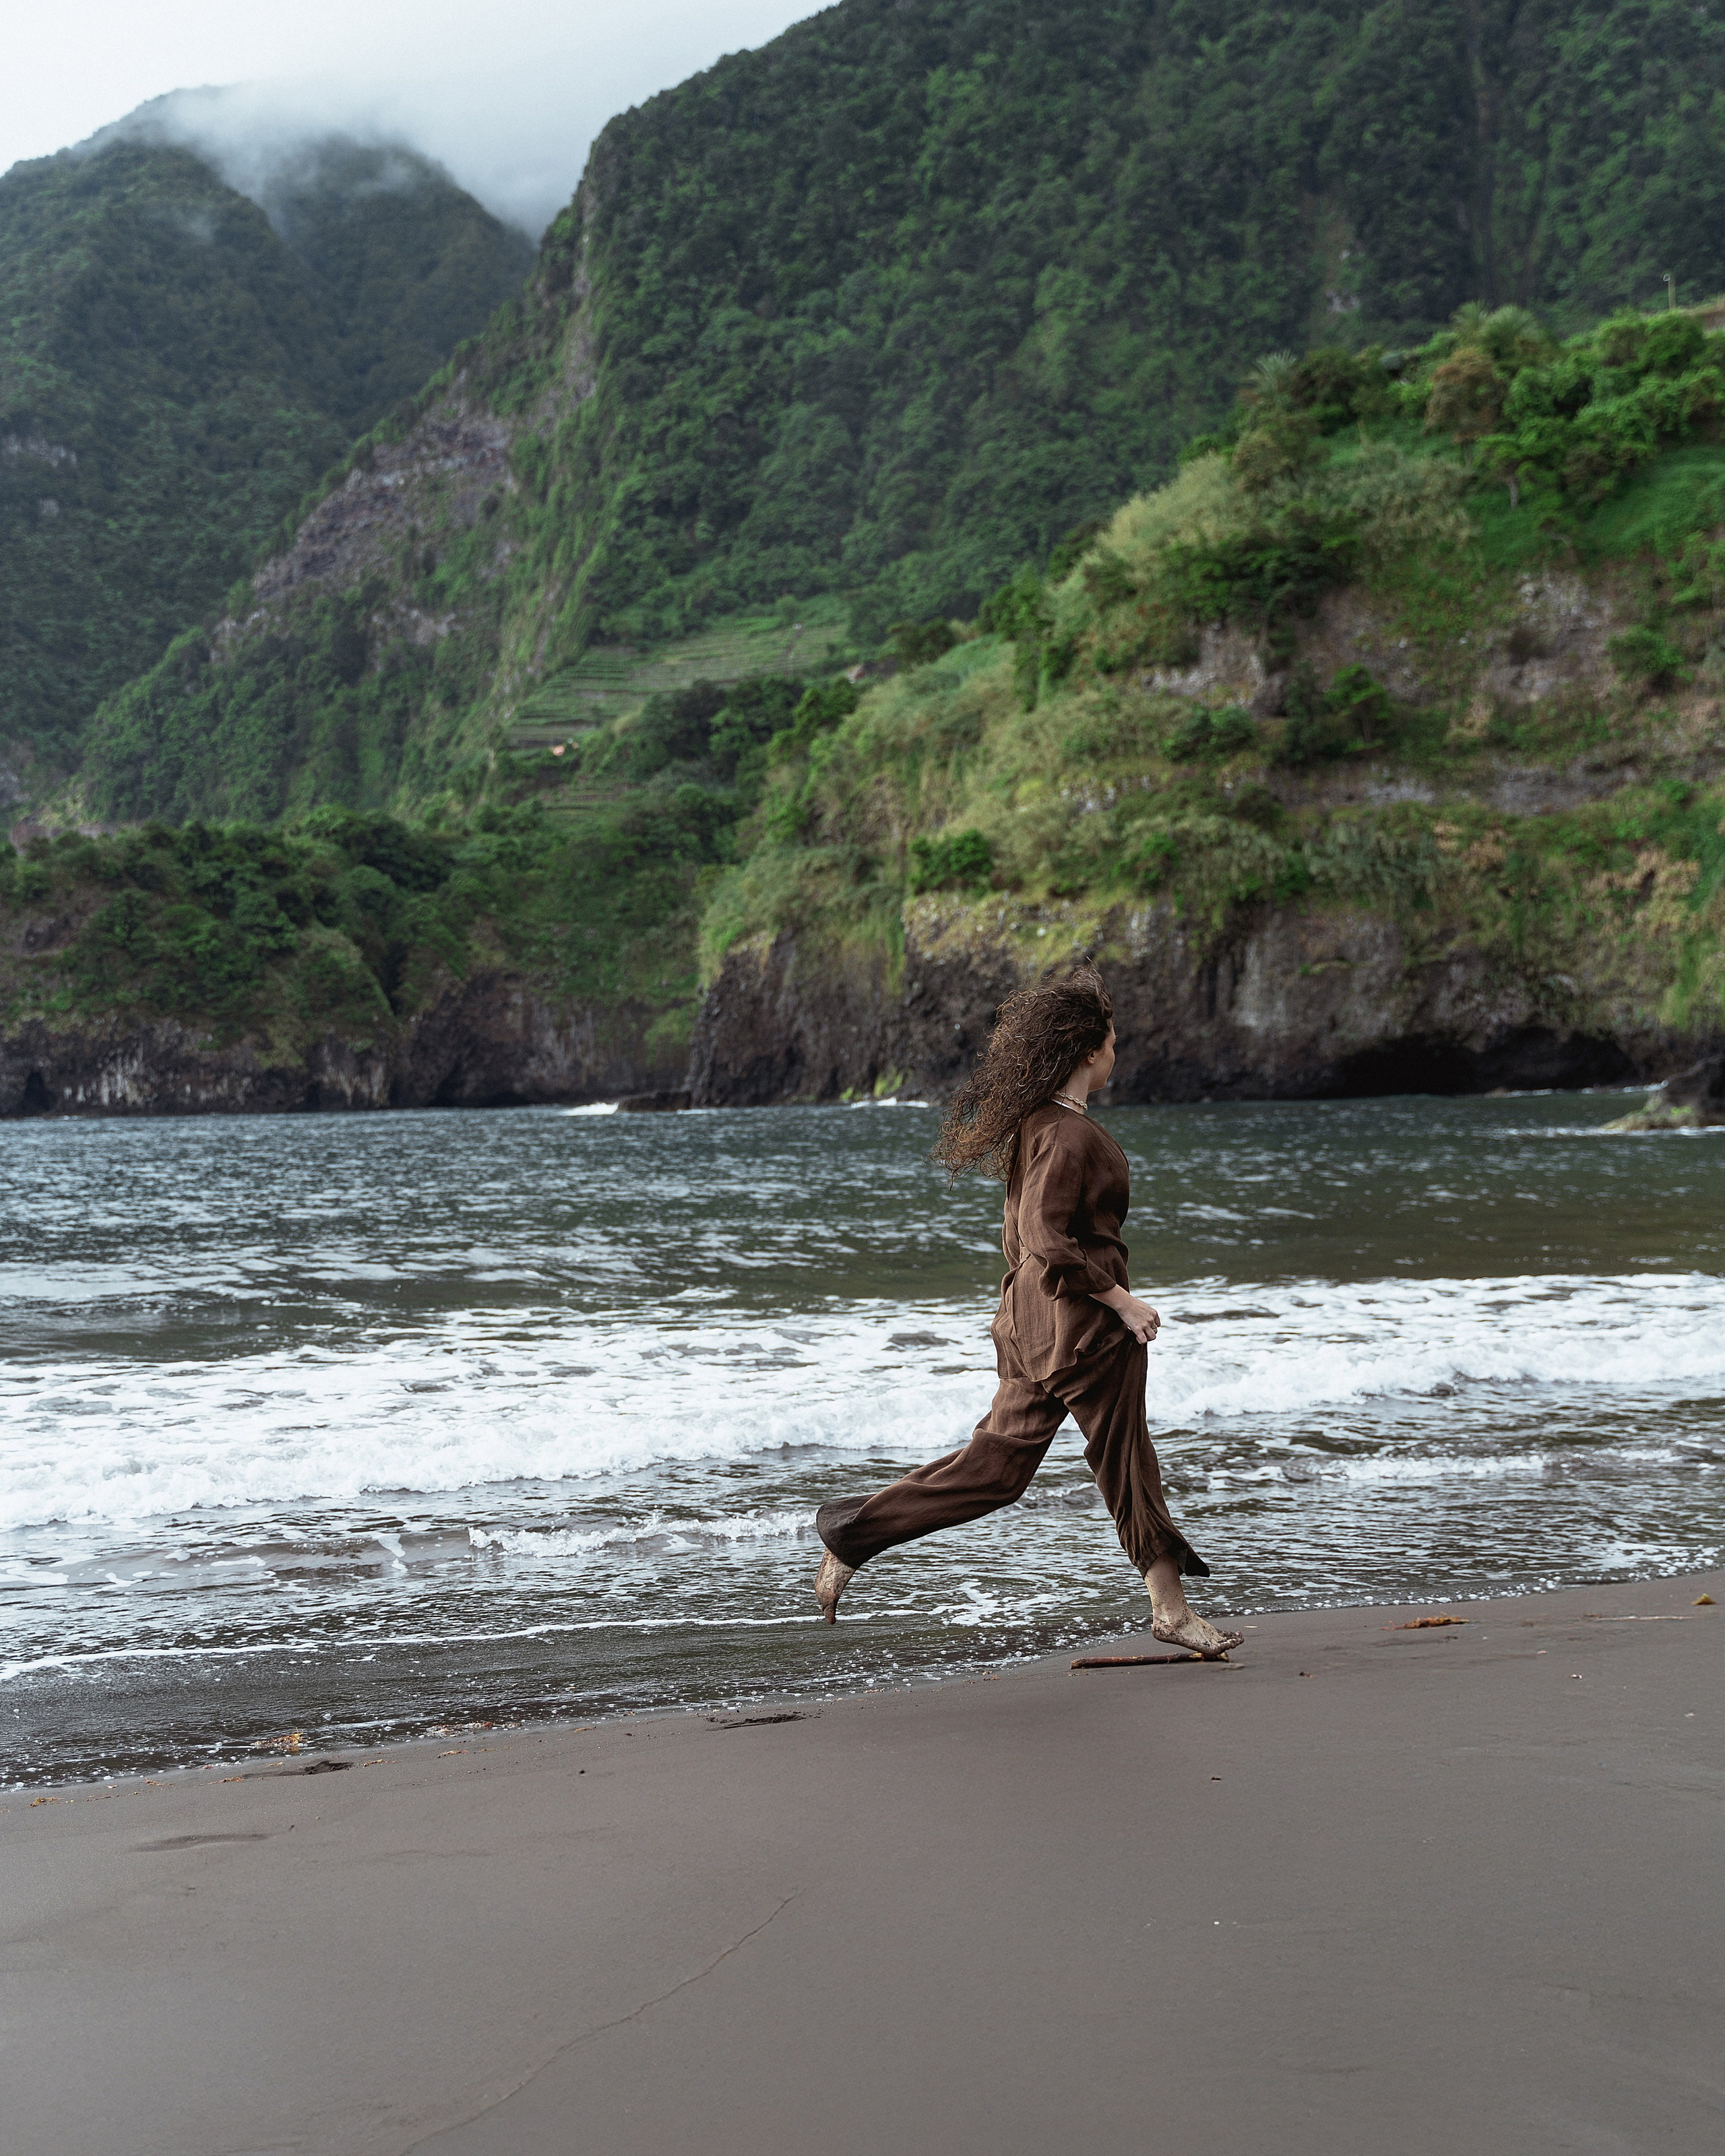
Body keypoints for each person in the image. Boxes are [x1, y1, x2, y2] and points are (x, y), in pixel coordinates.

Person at [812, 963, 1243, 1658]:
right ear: (1086, 1052)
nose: (1117, 1052)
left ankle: (852, 1535)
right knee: (1127, 1462)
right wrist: (1121, 1300)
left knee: (994, 1470)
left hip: (1027, 1324)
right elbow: (1046, 1237)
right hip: (1081, 1328)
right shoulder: (1069, 1134)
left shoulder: (1039, 1126)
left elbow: (1024, 1237)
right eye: (1113, 1041)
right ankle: (1170, 1610)